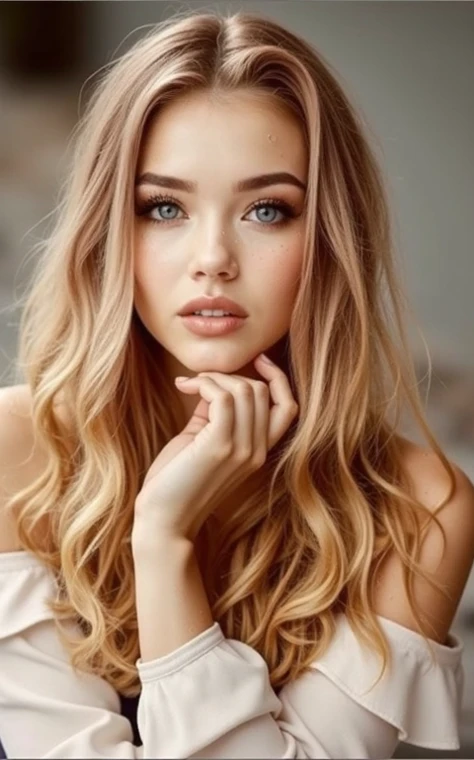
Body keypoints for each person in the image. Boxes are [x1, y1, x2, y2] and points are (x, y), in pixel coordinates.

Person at [0, 9, 473, 759]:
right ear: (107, 230)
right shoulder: (15, 452)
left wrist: (163, 543)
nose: (213, 257)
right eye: (163, 207)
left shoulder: (423, 508)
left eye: (266, 210)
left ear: (328, 236)